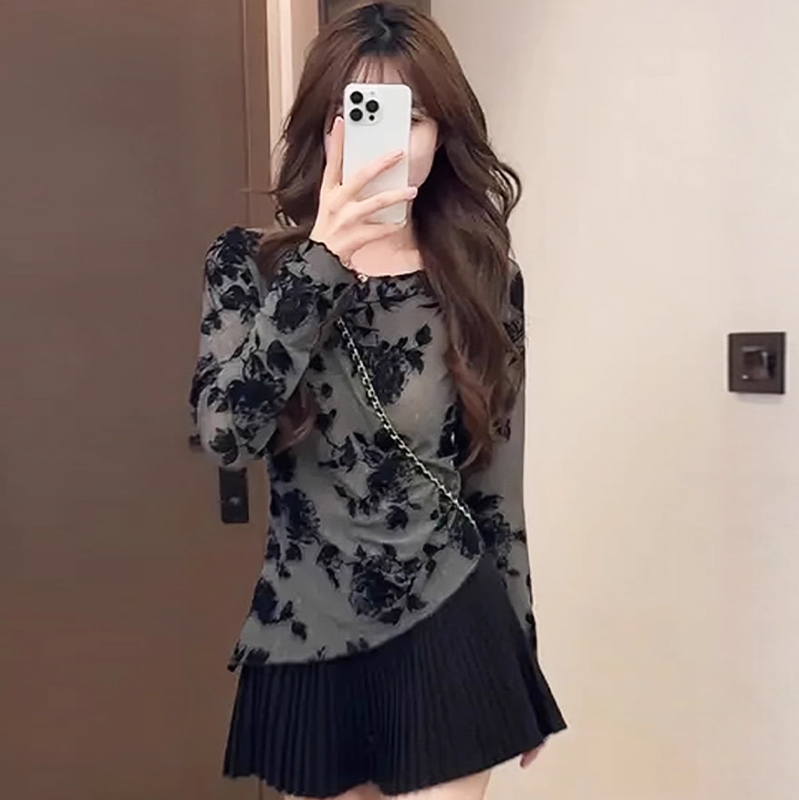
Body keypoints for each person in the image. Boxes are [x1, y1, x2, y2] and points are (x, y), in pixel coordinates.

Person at [189, 3, 566, 799]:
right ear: (324, 128)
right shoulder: (246, 266)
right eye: (358, 113)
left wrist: (522, 656)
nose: (388, 142)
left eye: (412, 117)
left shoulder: (481, 279)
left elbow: (497, 489)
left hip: (451, 623)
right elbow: (227, 434)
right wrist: (324, 258)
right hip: (303, 630)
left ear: (441, 134)